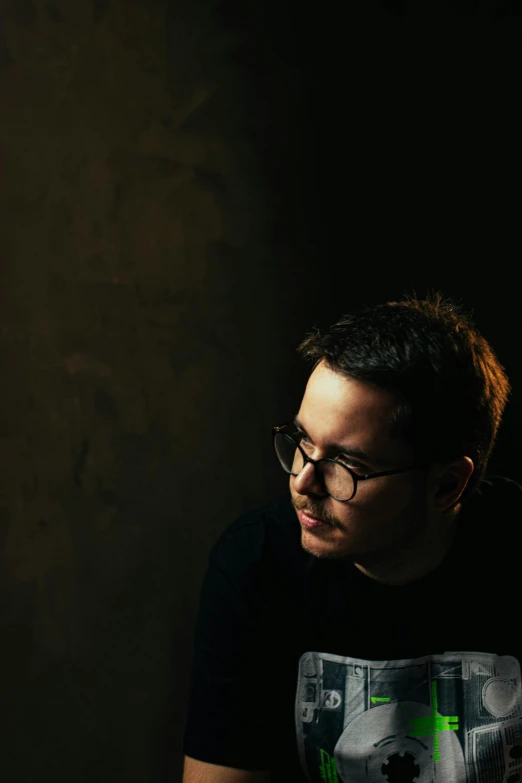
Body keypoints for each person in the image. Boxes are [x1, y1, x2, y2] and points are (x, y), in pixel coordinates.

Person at [181, 292, 521, 783]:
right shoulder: (255, 564)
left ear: (447, 485)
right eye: (301, 442)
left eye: (345, 466)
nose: (303, 482)